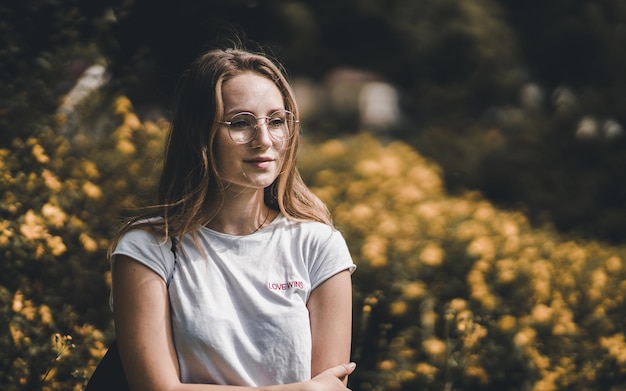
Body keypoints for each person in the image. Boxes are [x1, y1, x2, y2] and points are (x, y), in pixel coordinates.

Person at [108, 45, 357, 391]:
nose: (264, 139)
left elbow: (330, 388)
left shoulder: (319, 246)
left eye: (276, 121)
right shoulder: (148, 249)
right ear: (199, 135)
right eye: (241, 123)